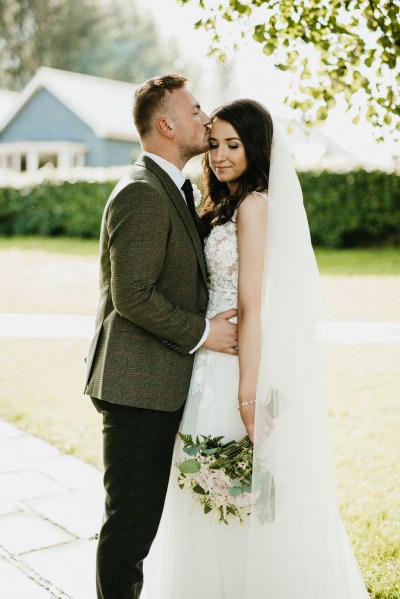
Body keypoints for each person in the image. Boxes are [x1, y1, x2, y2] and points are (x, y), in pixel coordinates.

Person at [141, 99, 370, 598]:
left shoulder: (254, 206)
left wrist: (247, 396)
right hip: (205, 365)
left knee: (231, 498)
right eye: (215, 144)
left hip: (233, 374)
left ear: (256, 148)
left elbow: (252, 305)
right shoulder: (221, 203)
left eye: (233, 145)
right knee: (203, 492)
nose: (219, 156)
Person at [84, 74, 239, 599]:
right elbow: (133, 295)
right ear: (167, 124)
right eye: (196, 110)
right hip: (136, 387)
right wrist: (204, 333)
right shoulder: (142, 193)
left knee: (141, 518)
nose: (206, 117)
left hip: (160, 382)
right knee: (129, 526)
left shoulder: (178, 188)